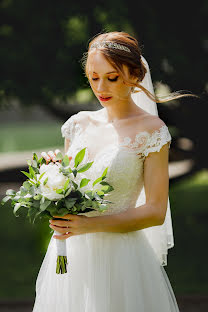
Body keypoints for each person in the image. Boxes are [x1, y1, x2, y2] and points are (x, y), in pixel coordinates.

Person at [33, 31, 193, 311]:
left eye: (112, 77)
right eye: (94, 77)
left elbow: (155, 211)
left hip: (123, 259)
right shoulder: (78, 124)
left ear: (134, 74)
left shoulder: (152, 132)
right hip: (72, 257)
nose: (101, 87)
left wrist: (87, 226)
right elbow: (72, 192)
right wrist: (52, 176)